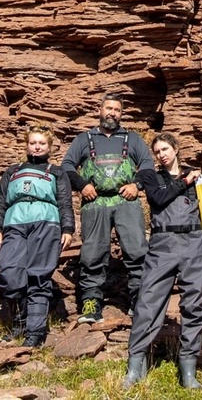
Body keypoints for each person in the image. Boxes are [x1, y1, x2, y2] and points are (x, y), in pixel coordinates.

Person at [122, 134, 202, 390]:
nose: (161, 154)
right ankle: (135, 367)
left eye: (165, 149)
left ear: (176, 149)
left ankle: (188, 370)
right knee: (148, 302)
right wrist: (185, 181)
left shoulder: (198, 176)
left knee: (194, 304)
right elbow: (159, 199)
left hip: (195, 241)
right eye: (157, 151)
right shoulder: (151, 177)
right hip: (163, 244)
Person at [61, 93, 153, 323]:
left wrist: (137, 185)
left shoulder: (132, 139)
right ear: (99, 110)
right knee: (92, 254)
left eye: (117, 110)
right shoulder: (84, 139)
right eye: (108, 108)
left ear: (121, 114)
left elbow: (148, 166)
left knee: (137, 252)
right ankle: (91, 305)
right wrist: (82, 186)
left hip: (127, 202)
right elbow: (67, 166)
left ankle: (138, 302)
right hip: (95, 203)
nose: (112, 113)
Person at [0, 126, 74, 347]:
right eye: (33, 143)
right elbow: (0, 202)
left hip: (46, 224)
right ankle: (20, 322)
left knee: (38, 276)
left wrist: (68, 229)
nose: (37, 147)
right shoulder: (12, 171)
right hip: (15, 223)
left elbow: (65, 202)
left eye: (42, 143)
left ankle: (33, 334)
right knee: (9, 272)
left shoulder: (56, 172)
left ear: (50, 146)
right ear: (26, 145)